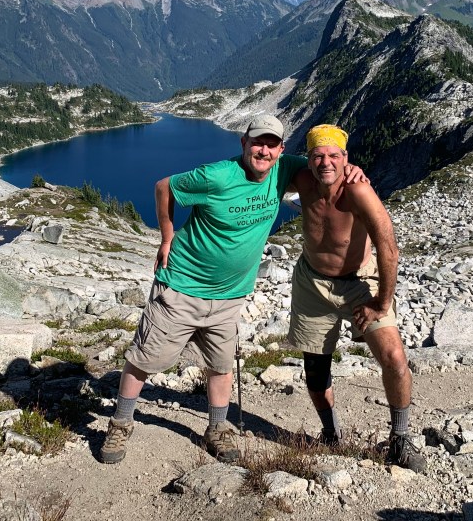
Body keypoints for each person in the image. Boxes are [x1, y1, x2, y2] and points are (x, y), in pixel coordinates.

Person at [100, 115, 365, 465]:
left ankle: (217, 429)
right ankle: (120, 423)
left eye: (272, 144)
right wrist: (166, 236)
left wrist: (352, 169)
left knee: (221, 365)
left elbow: (325, 164)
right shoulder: (216, 175)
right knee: (144, 360)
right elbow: (164, 187)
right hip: (182, 286)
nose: (264, 151)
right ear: (244, 143)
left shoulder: (285, 168)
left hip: (230, 295)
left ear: (281, 149)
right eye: (257, 143)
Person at [287, 124, 427, 473]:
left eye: (334, 156)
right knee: (316, 368)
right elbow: (261, 170)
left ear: (345, 157)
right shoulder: (301, 179)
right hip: (312, 282)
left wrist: (381, 302)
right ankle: (331, 434)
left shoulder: (358, 191)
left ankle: (400, 438)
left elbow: (388, 247)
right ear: (308, 158)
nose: (326, 162)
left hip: (359, 281)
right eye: (318, 155)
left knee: (394, 358)